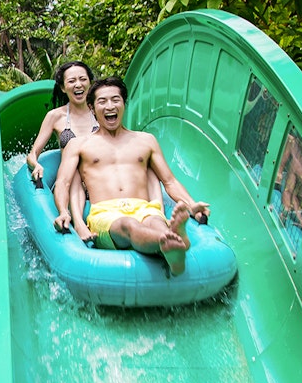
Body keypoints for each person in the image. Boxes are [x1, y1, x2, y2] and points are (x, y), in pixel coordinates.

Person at [52, 77, 210, 276]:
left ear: (124, 104)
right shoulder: (79, 144)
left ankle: (171, 243)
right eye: (102, 101)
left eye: (115, 100)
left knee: (155, 221)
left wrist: (192, 205)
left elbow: (169, 181)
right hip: (106, 214)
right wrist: (63, 212)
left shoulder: (146, 140)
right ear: (92, 108)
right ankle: (172, 242)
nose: (110, 106)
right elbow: (63, 182)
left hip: (145, 208)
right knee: (128, 225)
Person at [25, 61, 98, 183]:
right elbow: (33, 154)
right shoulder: (55, 116)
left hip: (99, 180)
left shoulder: (101, 113)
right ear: (63, 88)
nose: (78, 84)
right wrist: (36, 165)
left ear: (90, 83)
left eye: (83, 79)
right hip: (70, 182)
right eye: (71, 81)